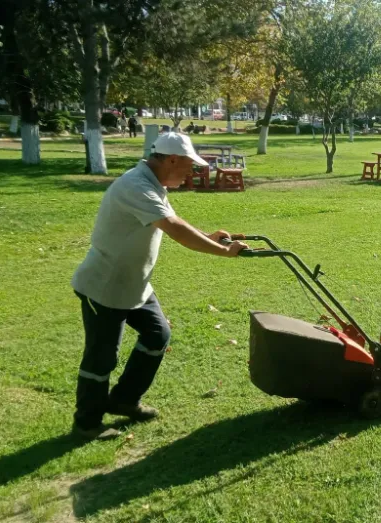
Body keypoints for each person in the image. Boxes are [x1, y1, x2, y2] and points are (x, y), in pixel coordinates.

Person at [70, 133, 248, 440]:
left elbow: (167, 219)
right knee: (102, 357)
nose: (192, 173)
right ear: (172, 160)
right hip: (106, 286)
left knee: (157, 334)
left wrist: (208, 236)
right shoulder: (136, 186)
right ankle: (86, 423)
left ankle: (124, 400)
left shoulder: (154, 183)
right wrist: (221, 251)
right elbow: (174, 228)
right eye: (189, 166)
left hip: (135, 286)